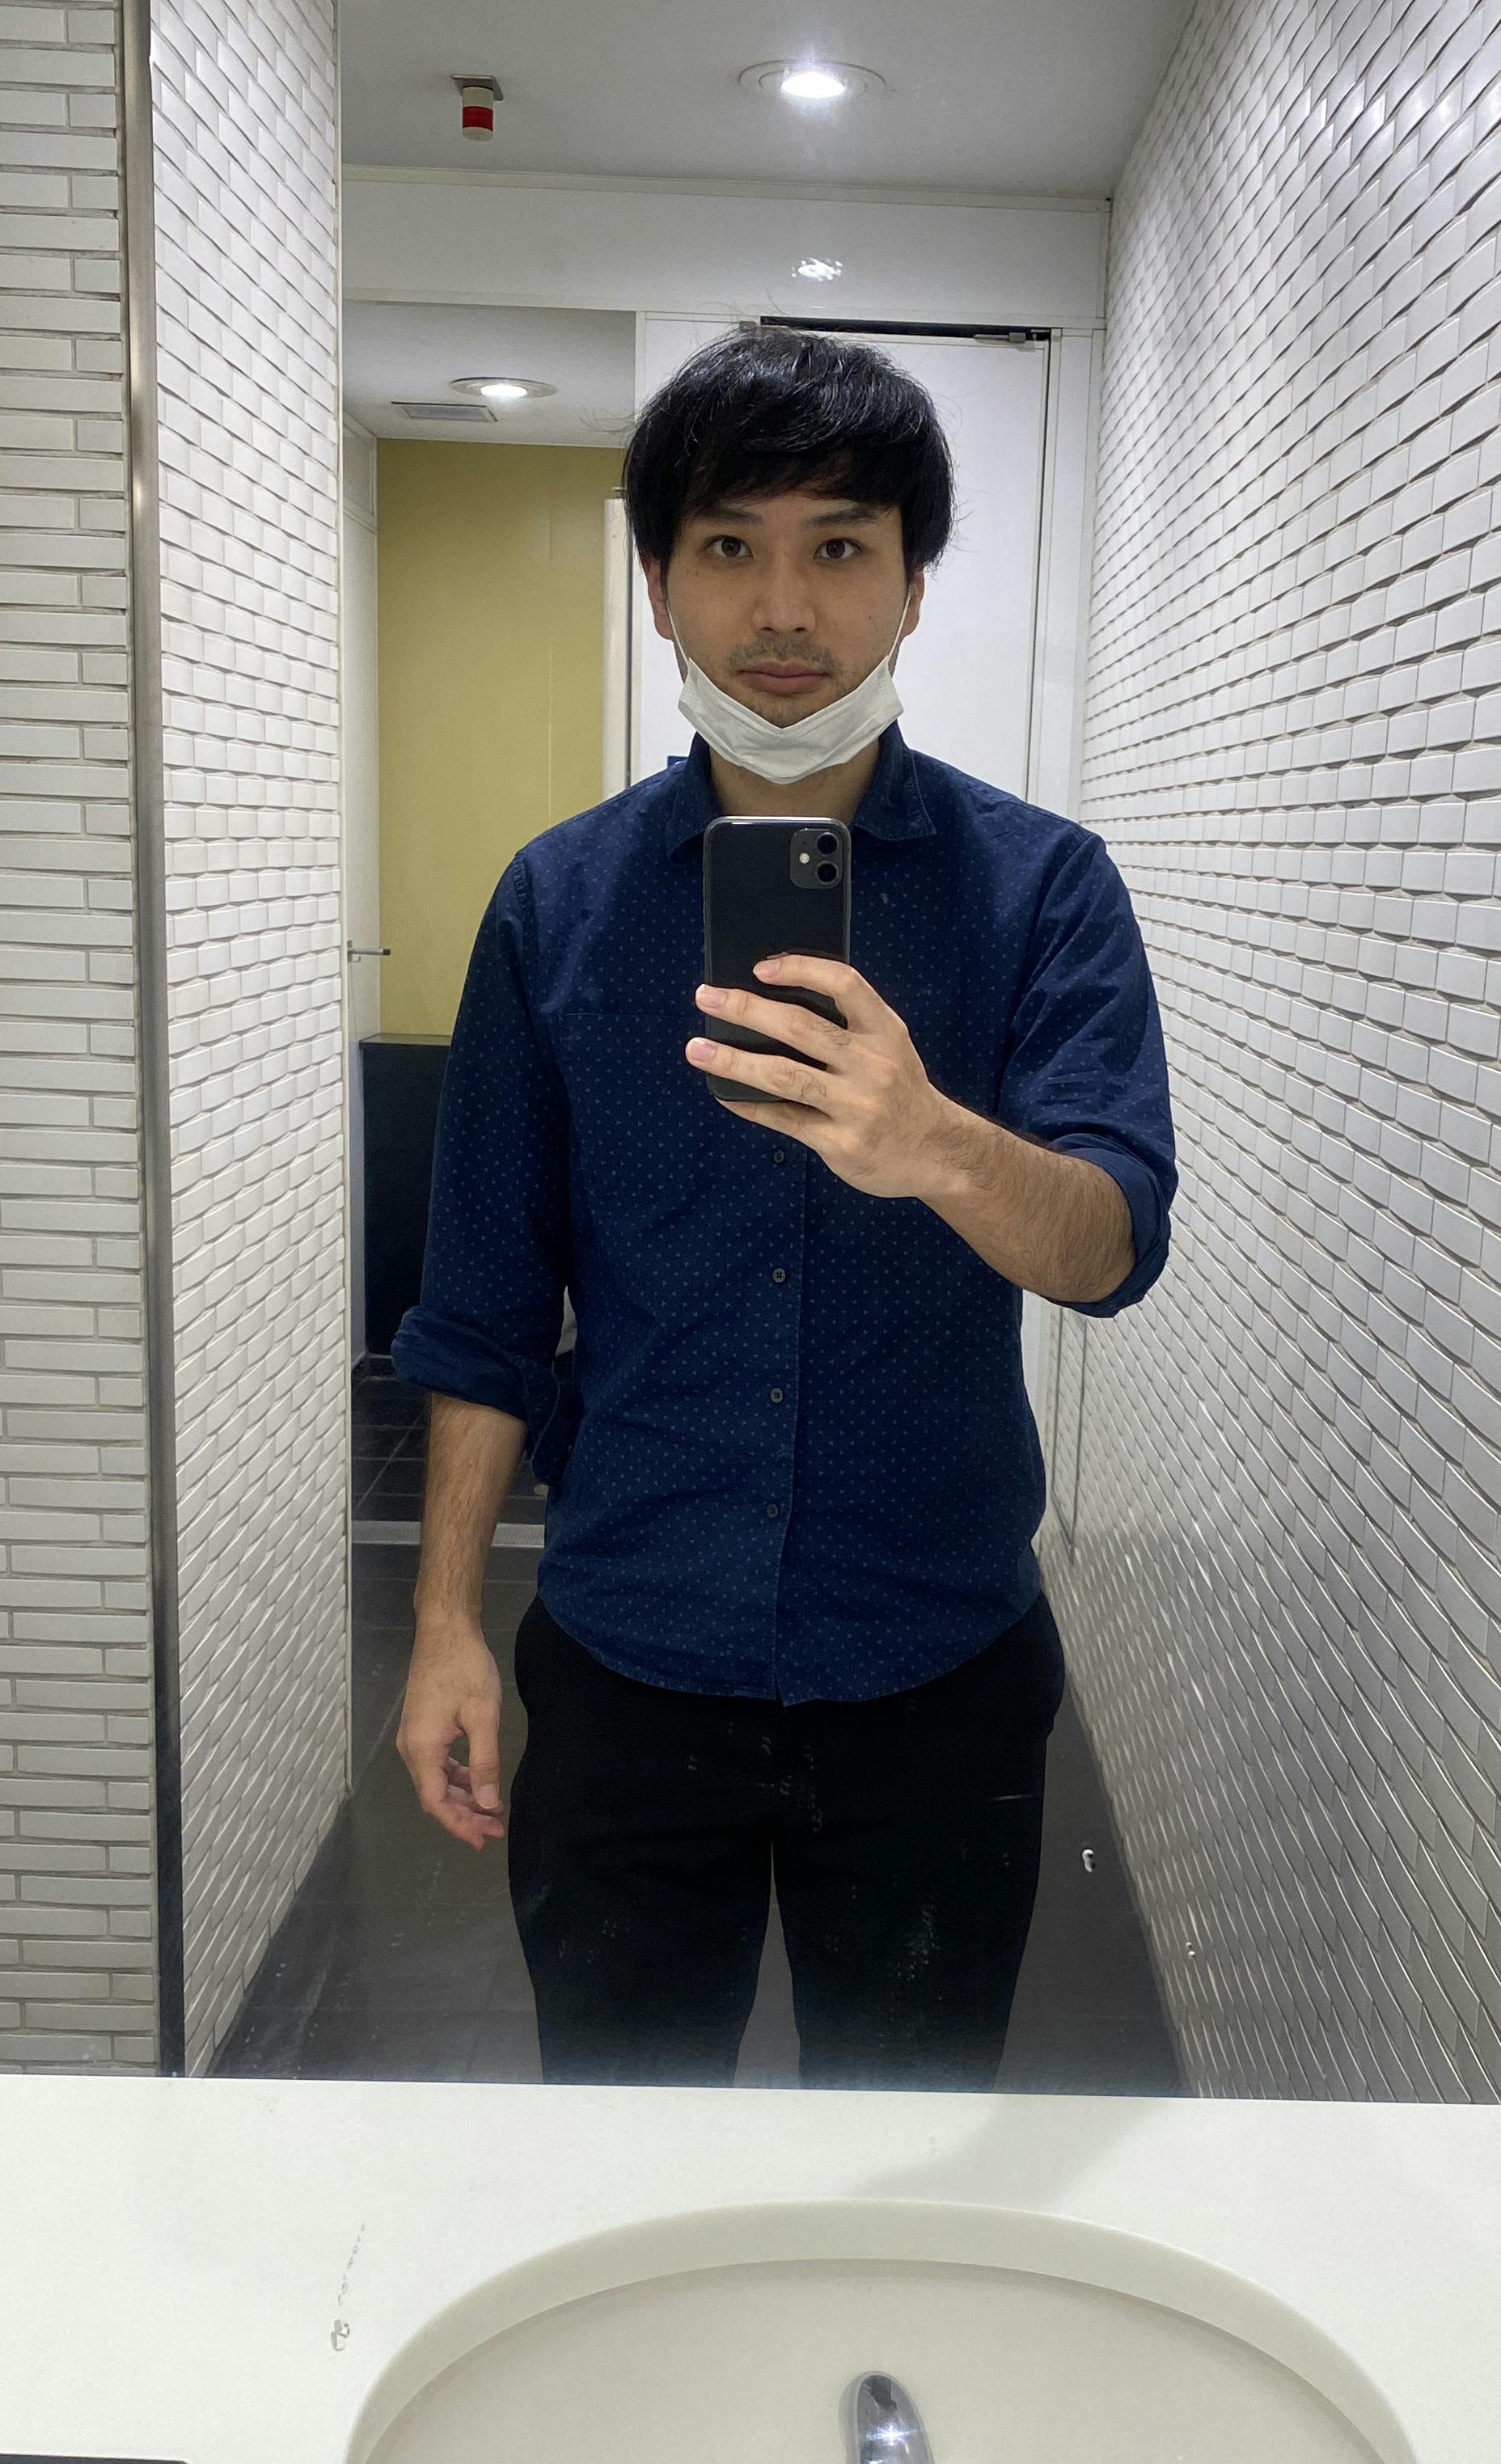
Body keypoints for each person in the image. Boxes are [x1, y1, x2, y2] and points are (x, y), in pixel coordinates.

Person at [391, 325, 1175, 2090]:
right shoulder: (557, 906)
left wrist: (935, 1144)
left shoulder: (1040, 891)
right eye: (729, 545)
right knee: (622, 2142)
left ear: (912, 585)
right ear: (657, 584)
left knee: (900, 2162)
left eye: (839, 545)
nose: (783, 607)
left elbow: (1111, 1249)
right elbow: (482, 1307)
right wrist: (442, 1626)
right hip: (629, 1652)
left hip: (933, 1666)